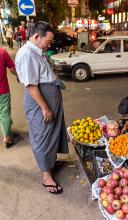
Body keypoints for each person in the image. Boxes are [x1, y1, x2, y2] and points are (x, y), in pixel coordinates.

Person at [15, 21, 69, 194]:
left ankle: (50, 163)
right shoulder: (26, 54)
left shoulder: (36, 51)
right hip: (40, 102)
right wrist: (44, 108)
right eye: (49, 40)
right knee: (42, 137)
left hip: (48, 97)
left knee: (52, 133)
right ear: (37, 36)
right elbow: (30, 85)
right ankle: (46, 177)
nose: (50, 44)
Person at [0, 47, 18, 148]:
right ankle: (7, 137)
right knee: (4, 112)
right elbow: (12, 68)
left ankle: (8, 131)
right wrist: (18, 75)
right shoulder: (2, 52)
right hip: (3, 90)